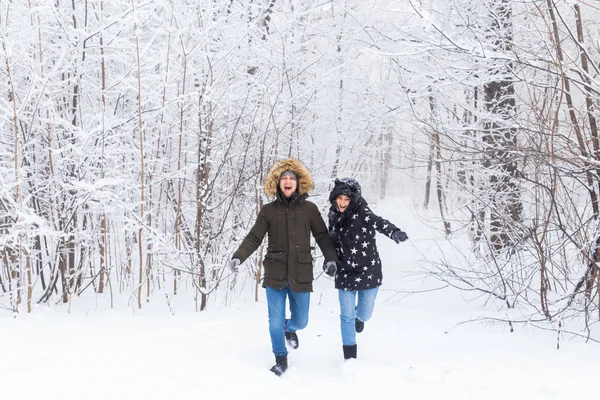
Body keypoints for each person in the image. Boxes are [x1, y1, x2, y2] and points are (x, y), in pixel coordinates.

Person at [229, 159, 338, 376]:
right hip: (276, 274)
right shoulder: (269, 210)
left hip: (301, 273)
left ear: (298, 183)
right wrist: (238, 257)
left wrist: (331, 258)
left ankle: (290, 329)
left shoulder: (309, 209)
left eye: (292, 178)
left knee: (302, 320)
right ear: (278, 183)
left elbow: (322, 236)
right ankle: (280, 358)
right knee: (274, 320)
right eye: (284, 178)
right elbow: (255, 236)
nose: (287, 182)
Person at [322, 178, 408, 360]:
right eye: (340, 198)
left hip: (368, 269)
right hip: (345, 270)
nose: (343, 203)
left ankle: (359, 318)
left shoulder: (362, 212)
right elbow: (330, 241)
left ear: (353, 200)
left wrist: (393, 231)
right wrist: (329, 261)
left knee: (365, 313)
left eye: (347, 199)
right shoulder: (333, 215)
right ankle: (350, 357)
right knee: (346, 316)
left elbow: (378, 222)